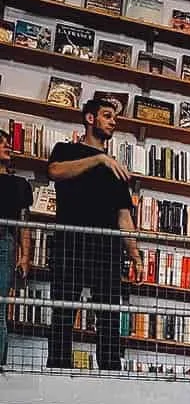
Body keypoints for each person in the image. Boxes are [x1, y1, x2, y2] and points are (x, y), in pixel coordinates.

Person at [46, 97, 144, 371]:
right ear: (90, 118)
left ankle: (110, 371)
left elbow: (124, 216)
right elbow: (54, 171)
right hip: (70, 244)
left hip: (107, 249)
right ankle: (58, 369)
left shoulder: (114, 169)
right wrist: (98, 159)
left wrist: (135, 255)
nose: (113, 121)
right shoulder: (66, 149)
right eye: (107, 115)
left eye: (114, 117)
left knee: (109, 315)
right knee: (63, 312)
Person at [0, 129, 33, 369]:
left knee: (0, 308)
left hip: (4, 243)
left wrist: (25, 256)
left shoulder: (20, 184)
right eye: (1, 143)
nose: (7, 146)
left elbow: (24, 223)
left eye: (8, 143)